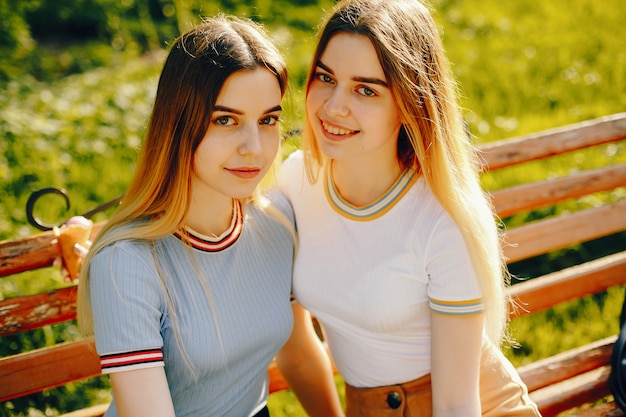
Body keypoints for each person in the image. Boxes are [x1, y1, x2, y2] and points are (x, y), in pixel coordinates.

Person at [277, 0, 542, 415]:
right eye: (326, 78)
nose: (332, 106)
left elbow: (456, 404)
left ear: (409, 103)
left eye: (366, 89)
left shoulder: (439, 221)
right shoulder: (295, 181)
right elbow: (294, 349)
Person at [74, 15, 343, 417]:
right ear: (178, 124)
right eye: (225, 120)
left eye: (267, 119)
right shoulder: (127, 263)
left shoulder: (277, 222)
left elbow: (300, 355)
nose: (254, 147)